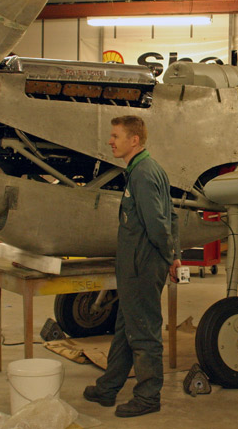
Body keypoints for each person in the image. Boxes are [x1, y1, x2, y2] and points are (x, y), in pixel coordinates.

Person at [84, 115, 181, 418]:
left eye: (116, 136)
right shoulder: (145, 169)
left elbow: (158, 225)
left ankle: (148, 396)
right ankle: (108, 387)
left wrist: (168, 256)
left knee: (143, 332)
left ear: (134, 140)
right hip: (136, 266)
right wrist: (174, 253)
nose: (110, 141)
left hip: (142, 266)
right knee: (125, 327)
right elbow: (172, 215)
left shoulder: (143, 174)